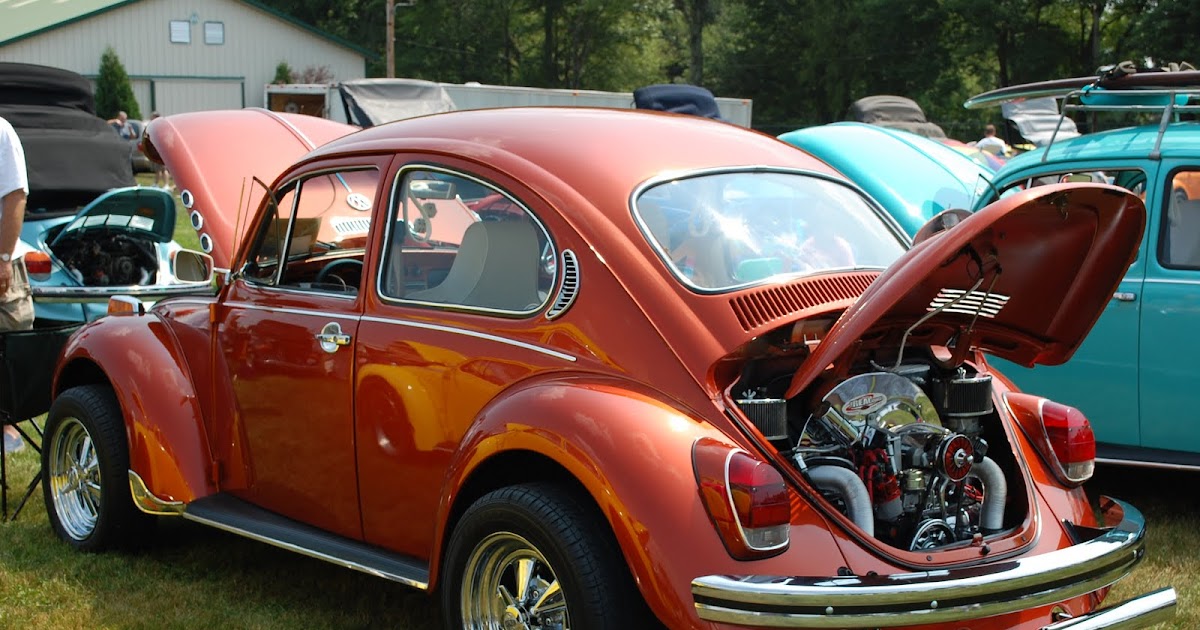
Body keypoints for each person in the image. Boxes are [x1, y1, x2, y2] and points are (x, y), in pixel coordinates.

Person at [0, 115, 33, 454]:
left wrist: (3, 258)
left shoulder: (1, 131)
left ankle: (8, 425)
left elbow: (15, 195)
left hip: (0, 259)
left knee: (9, 342)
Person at [148, 111, 172, 189]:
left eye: (152, 118)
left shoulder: (161, 126)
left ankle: (166, 184)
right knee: (158, 169)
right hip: (156, 150)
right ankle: (156, 183)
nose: (151, 119)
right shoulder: (156, 126)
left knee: (163, 168)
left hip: (161, 150)